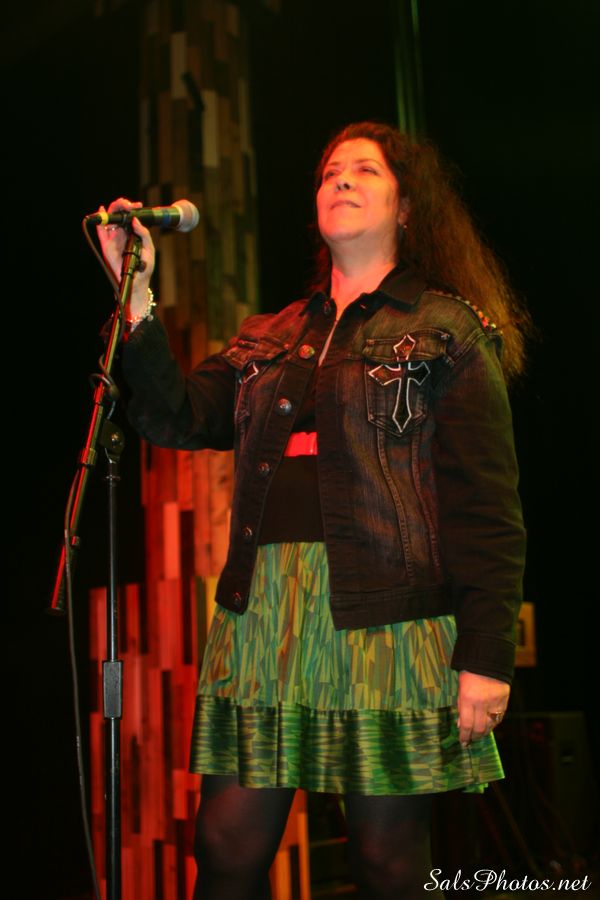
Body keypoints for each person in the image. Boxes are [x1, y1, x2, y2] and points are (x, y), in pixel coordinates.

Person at [98, 121, 528, 900]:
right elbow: (175, 416)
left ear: (406, 207)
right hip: (264, 615)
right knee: (225, 847)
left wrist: (487, 653)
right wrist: (136, 297)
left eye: (365, 169)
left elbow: (487, 505)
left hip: (388, 616)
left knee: (386, 860)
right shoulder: (272, 335)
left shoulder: (446, 328)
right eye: (331, 172)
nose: (342, 180)